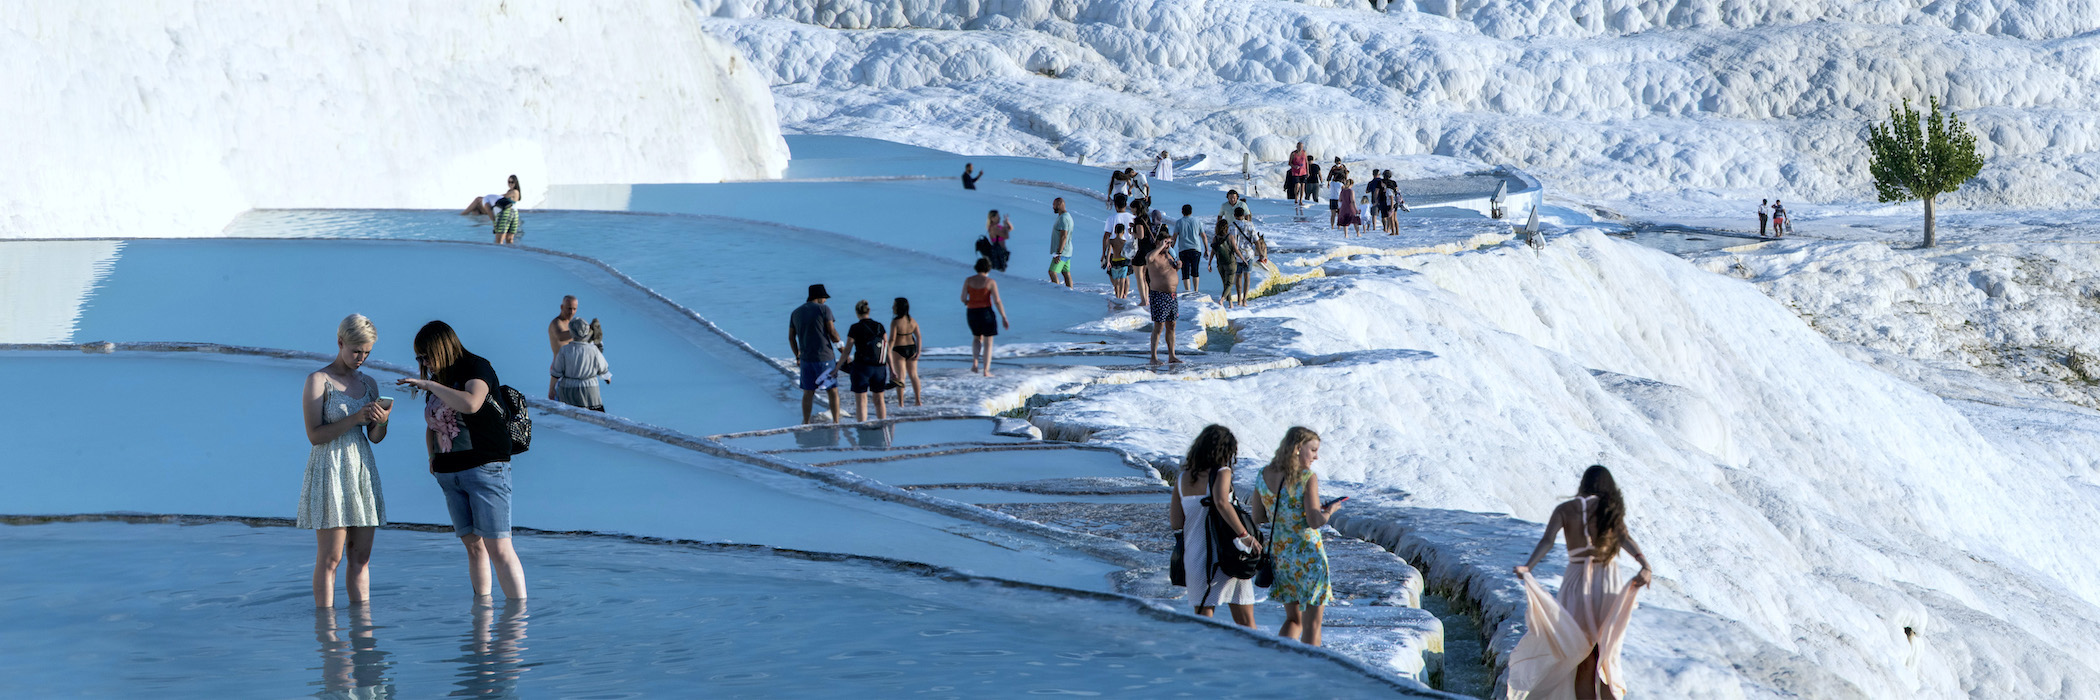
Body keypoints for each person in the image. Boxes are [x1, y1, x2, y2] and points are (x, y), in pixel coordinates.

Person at [398, 321, 525, 601]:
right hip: (450, 474)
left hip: (485, 467)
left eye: (426, 355)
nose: (424, 362)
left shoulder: (475, 366)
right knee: (473, 547)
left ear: (442, 347)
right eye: (419, 358)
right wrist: (432, 457)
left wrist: (429, 384)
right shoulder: (439, 378)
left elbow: (471, 403)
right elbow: (433, 425)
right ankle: (482, 620)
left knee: (499, 548)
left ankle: (516, 625)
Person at [1508, 465, 1655, 700]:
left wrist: (1528, 567)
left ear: (1584, 484)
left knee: (1581, 653)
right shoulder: (1609, 508)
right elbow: (1624, 538)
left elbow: (1547, 541)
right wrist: (1644, 564)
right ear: (1608, 486)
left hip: (1576, 580)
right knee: (1605, 652)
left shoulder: (1565, 509)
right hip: (1606, 580)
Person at [300, 314, 391, 608]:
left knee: (361, 556)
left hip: (361, 469)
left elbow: (375, 438)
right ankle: (326, 630)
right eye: (356, 351)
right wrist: (355, 418)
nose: (361, 358)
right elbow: (314, 435)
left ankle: (362, 626)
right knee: (331, 558)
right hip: (329, 468)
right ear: (340, 342)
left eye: (367, 352)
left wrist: (382, 422)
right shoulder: (318, 380)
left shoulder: (370, 384)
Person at [1253, 426, 1342, 647]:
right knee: (1312, 625)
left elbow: (1258, 516)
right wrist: (1330, 511)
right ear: (1297, 448)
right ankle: (1311, 675)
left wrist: (1283, 511)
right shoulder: (1306, 477)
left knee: (1293, 620)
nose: (1316, 456)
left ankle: (1280, 662)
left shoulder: (1263, 475)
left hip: (1281, 557)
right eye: (1312, 450)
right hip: (1308, 557)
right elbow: (1314, 521)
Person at [1168, 425, 1261, 627]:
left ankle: (1203, 657)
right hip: (1227, 552)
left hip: (1195, 555)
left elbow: (1176, 521)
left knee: (1203, 618)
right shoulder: (1222, 472)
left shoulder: (1182, 478)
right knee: (1244, 619)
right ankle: (1251, 657)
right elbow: (1221, 502)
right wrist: (1245, 536)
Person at [789, 284, 843, 424]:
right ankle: (836, 422)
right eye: (824, 298)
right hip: (824, 357)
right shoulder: (824, 309)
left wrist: (797, 355)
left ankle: (806, 422)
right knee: (832, 390)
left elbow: (791, 337)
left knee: (808, 392)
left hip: (806, 359)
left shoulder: (796, 312)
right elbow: (832, 332)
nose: (825, 300)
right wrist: (843, 351)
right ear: (818, 297)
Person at [841, 300, 892, 422]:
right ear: (869, 311)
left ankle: (862, 428)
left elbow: (847, 350)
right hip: (879, 368)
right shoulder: (879, 326)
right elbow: (887, 349)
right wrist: (893, 370)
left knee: (861, 402)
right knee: (879, 400)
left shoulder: (855, 327)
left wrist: (837, 367)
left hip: (861, 368)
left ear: (857, 313)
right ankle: (882, 427)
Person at [548, 318, 611, 412]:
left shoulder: (564, 350)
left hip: (568, 389)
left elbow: (556, 373)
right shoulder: (594, 350)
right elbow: (603, 368)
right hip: (590, 389)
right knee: (595, 417)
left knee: (570, 416)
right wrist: (607, 378)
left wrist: (551, 389)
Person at [962, 259, 1010, 377]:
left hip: (972, 312)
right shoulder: (990, 282)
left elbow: (963, 298)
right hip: (986, 312)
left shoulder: (968, 280)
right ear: (988, 268)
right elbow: (997, 301)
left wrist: (970, 302)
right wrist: (1004, 316)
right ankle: (986, 370)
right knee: (988, 341)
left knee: (976, 337)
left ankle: (975, 362)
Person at [1140, 236, 1184, 365]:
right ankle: (1153, 357)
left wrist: (1178, 267)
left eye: (1170, 243)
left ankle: (1172, 355)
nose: (1168, 245)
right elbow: (1148, 259)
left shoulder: (1170, 256)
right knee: (1159, 326)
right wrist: (1160, 246)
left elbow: (1171, 271)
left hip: (1172, 296)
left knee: (1172, 326)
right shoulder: (1153, 256)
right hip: (1159, 295)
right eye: (1166, 242)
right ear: (1159, 242)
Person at [887, 298, 924, 407]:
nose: (892, 307)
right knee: (914, 375)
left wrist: (887, 351)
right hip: (912, 348)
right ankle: (918, 401)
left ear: (899, 308)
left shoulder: (895, 322)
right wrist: (919, 351)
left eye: (894, 305)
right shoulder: (912, 320)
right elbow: (919, 336)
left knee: (901, 377)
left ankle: (901, 403)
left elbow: (892, 339)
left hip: (899, 350)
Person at [1101, 194, 1137, 300]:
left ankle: (1118, 292)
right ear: (1126, 205)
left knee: (1113, 273)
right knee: (1126, 275)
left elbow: (1106, 236)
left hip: (1114, 251)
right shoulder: (1132, 217)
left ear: (1115, 206)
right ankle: (1124, 295)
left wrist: (1104, 253)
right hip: (1128, 251)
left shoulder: (1111, 218)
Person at [1231, 207, 1266, 306]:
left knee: (1238, 277)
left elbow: (1229, 242)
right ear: (1244, 215)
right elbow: (1256, 240)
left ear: (1234, 215)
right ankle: (1245, 300)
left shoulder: (1231, 226)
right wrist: (1260, 252)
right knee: (1247, 277)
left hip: (1236, 255)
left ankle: (1239, 300)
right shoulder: (1250, 225)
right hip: (1248, 254)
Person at [1172, 204, 1207, 294]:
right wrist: (1206, 248)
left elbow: (1174, 237)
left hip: (1183, 249)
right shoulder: (1197, 221)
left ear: (1182, 212)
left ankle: (1188, 291)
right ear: (1191, 211)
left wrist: (1170, 249)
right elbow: (1203, 236)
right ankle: (1196, 291)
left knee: (1185, 272)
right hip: (1196, 249)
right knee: (1195, 270)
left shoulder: (1179, 222)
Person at [1047, 197, 1076, 288]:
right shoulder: (1067, 216)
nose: (1053, 207)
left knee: (1052, 272)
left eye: (1054, 205)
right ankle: (1070, 292)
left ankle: (1057, 292)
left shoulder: (1063, 218)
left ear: (1059, 205)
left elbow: (1064, 236)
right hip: (1067, 250)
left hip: (1062, 251)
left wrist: (1059, 253)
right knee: (1066, 272)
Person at [1212, 217, 1241, 306]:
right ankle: (1222, 299)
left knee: (1225, 283)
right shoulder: (1230, 237)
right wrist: (1243, 259)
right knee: (1229, 283)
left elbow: (1213, 252)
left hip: (1220, 263)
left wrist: (1209, 263)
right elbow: (1236, 250)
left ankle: (1231, 303)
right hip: (1230, 263)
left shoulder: (1215, 238)